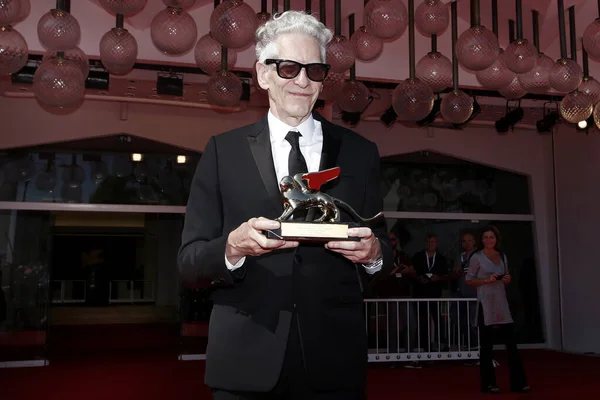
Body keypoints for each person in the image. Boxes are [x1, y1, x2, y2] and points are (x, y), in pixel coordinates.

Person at [178, 10, 392, 400]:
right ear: (263, 74)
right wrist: (231, 248)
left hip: (334, 362)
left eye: (314, 70)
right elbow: (190, 261)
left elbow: (383, 248)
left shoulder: (361, 153)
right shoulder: (222, 152)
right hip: (244, 361)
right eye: (289, 68)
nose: (303, 81)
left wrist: (374, 254)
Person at [466, 225, 530, 394]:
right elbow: (469, 280)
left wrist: (506, 278)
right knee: (487, 347)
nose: (489, 240)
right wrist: (486, 280)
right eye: (486, 237)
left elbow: (506, 275)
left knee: (511, 345)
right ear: (481, 239)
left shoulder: (502, 256)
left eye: (492, 237)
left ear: (496, 239)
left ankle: (519, 383)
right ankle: (488, 384)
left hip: (501, 304)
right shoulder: (476, 257)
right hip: (485, 304)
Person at [411, 233, 449, 351]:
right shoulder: (418, 256)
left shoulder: (441, 258)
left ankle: (441, 344)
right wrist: (419, 279)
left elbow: (446, 275)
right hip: (420, 293)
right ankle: (425, 346)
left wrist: (438, 278)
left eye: (433, 242)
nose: (430, 244)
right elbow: (412, 272)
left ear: (437, 243)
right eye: (428, 241)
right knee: (422, 321)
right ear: (425, 243)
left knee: (438, 319)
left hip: (435, 294)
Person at [450, 231, 478, 351]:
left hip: (474, 293)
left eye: (469, 240)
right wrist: (457, 273)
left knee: (473, 321)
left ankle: (475, 348)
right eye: (464, 241)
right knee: (457, 317)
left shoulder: (479, 255)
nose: (467, 243)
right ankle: (470, 344)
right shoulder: (459, 256)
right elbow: (454, 275)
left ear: (474, 241)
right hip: (461, 292)